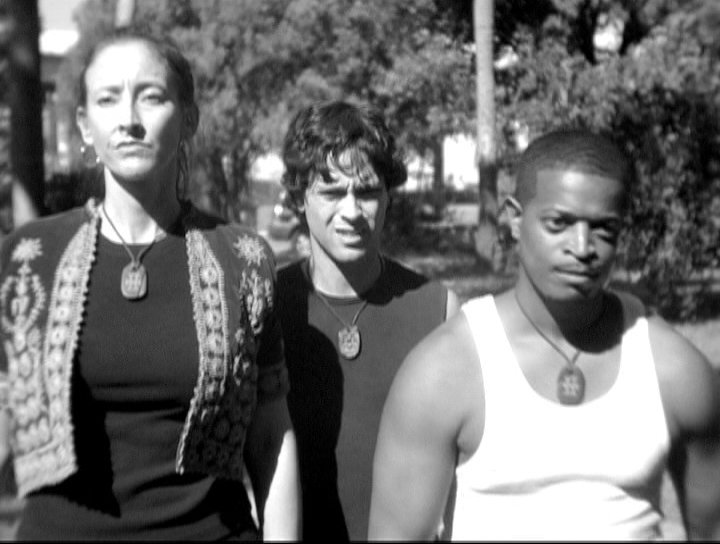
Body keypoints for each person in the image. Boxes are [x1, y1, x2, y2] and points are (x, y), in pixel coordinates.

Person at [0, 30, 300, 540]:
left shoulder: (243, 259)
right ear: (85, 127)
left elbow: (271, 436)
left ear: (188, 119)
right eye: (108, 99)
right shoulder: (29, 257)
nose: (130, 119)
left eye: (152, 96)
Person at [369, 128, 720, 540]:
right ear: (514, 219)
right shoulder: (446, 372)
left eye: (604, 229)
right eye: (559, 223)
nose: (582, 247)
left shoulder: (674, 371)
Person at [276, 100, 459, 540]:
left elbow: (460, 474)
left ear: (389, 196)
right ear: (300, 198)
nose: (353, 211)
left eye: (368, 191)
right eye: (333, 192)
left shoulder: (439, 311)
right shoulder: (267, 305)